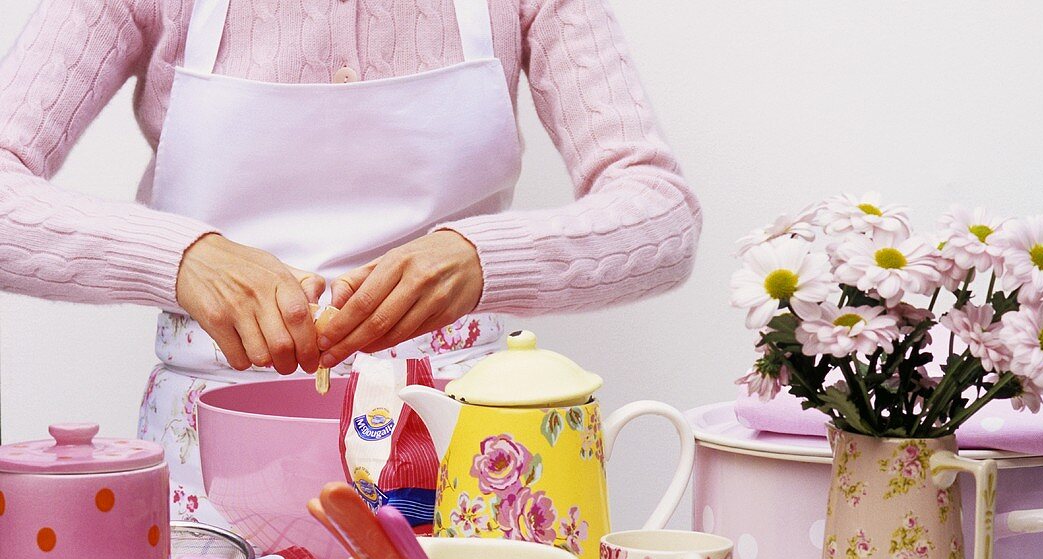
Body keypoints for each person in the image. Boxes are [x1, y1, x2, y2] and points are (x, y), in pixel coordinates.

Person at [0, 0, 701, 523]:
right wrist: (181, 257)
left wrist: (480, 257)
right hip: (207, 487)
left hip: (462, 471)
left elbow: (662, 214)